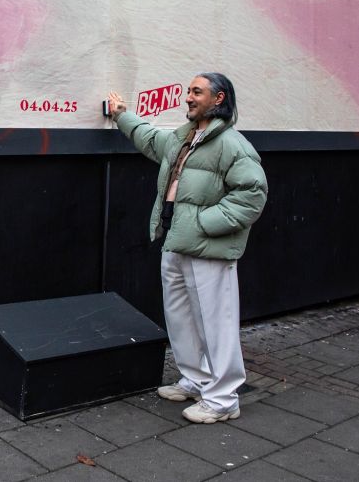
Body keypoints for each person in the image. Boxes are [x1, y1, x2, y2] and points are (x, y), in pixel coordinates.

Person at [107, 73, 267, 424]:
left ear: (219, 99)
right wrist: (121, 115)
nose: (188, 98)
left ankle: (223, 399)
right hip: (175, 241)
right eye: (187, 92)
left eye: (197, 92)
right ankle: (195, 380)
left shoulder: (233, 145)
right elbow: (149, 139)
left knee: (215, 322)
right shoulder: (185, 139)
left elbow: (252, 196)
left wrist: (204, 224)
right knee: (180, 318)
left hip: (207, 247)